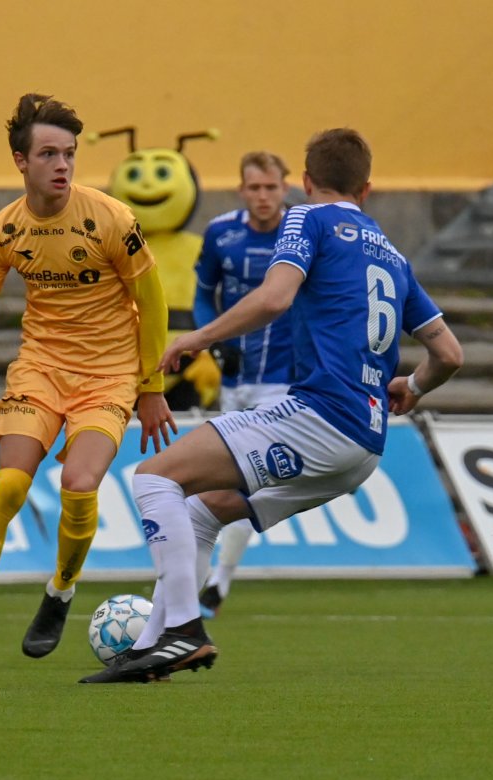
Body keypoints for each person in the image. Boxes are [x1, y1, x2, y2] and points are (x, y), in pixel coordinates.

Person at [79, 127, 464, 683]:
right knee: (204, 511)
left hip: (321, 415)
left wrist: (196, 338)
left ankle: (184, 630)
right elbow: (449, 353)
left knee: (153, 479)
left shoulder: (307, 218)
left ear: (305, 182)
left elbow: (275, 296)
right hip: (366, 447)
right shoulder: (395, 257)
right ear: (368, 189)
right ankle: (151, 648)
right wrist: (415, 386)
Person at [0, 94, 175, 669]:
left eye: (69, 154)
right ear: (21, 161)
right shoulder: (5, 229)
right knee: (9, 486)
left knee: (79, 485)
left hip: (108, 374)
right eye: (48, 154)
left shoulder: (112, 218)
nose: (62, 165)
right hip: (39, 369)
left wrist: (151, 386)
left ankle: (60, 592)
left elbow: (152, 302)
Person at [192, 151, 294, 617]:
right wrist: (215, 342)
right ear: (241, 190)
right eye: (254, 188)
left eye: (270, 187)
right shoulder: (221, 233)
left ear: (285, 188)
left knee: (247, 481)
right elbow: (201, 294)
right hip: (235, 378)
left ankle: (219, 581)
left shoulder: (303, 234)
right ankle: (197, 586)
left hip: (285, 381)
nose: (263, 196)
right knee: (219, 483)